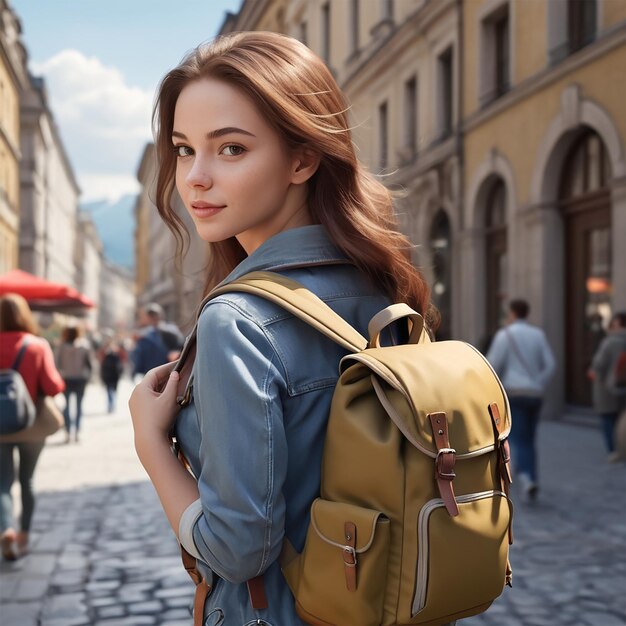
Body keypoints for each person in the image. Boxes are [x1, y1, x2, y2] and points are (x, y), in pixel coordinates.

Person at [128, 31, 437, 625]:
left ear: (303, 158)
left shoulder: (237, 321)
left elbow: (238, 550)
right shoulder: (380, 285)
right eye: (184, 149)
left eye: (232, 149)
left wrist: (151, 444)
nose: (194, 177)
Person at [0, 294, 65, 560]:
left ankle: (6, 530)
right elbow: (53, 386)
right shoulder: (37, 345)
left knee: (2, 483)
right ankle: (24, 534)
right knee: (26, 480)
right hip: (32, 424)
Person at [487, 299, 556, 501]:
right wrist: (538, 383)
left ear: (512, 313)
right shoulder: (538, 334)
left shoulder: (505, 335)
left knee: (519, 439)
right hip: (535, 393)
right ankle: (526, 473)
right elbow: (551, 364)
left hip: (515, 393)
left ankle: (527, 478)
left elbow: (492, 364)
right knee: (529, 439)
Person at [588, 312, 626, 462]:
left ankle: (614, 451)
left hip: (607, 387)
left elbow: (598, 365)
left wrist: (592, 372)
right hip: (622, 387)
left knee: (608, 419)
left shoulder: (610, 341)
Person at [56, 325, 93, 443]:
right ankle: (76, 431)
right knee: (78, 406)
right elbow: (90, 364)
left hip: (65, 378)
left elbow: (56, 363)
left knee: (66, 406)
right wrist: (88, 377)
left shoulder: (61, 346)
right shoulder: (84, 346)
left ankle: (67, 431)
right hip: (80, 378)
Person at [131, 303, 184, 376]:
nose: (154, 318)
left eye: (155, 315)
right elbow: (139, 357)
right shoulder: (143, 336)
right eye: (151, 315)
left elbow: (181, 349)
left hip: (168, 375)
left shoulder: (172, 331)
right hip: (150, 376)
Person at [99, 339, 124, 413]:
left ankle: (111, 405)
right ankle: (111, 405)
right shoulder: (106, 355)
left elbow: (119, 367)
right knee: (110, 391)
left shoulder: (116, 355)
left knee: (111, 391)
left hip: (113, 376)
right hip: (110, 376)